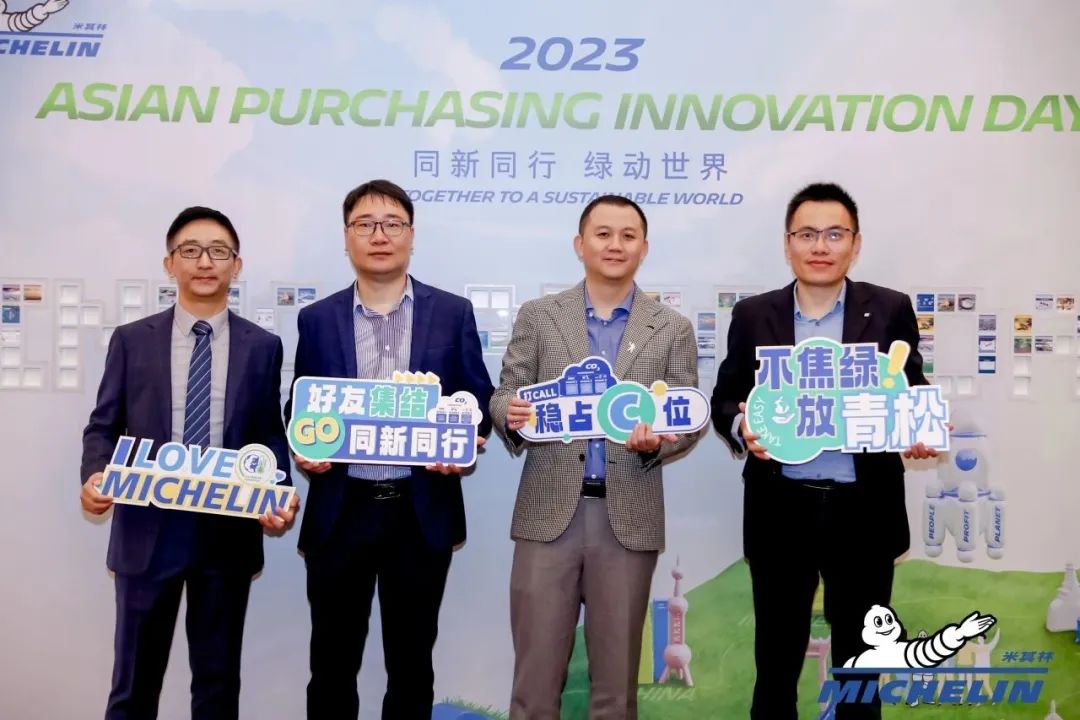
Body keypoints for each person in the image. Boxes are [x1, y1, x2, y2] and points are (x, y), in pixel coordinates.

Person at [711, 182, 936, 720]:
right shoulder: (754, 315)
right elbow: (725, 399)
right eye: (807, 234)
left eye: (835, 234)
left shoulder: (889, 309)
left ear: (855, 244)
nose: (820, 246)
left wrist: (919, 426)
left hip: (864, 509)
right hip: (780, 508)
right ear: (788, 243)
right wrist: (743, 427)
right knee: (776, 661)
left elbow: (911, 388)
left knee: (859, 669)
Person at [80, 206, 297, 719]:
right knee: (133, 686)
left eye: (218, 251)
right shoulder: (132, 340)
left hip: (226, 532)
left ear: (236, 266)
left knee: (217, 687)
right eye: (191, 251)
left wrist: (278, 493)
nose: (204, 261)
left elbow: (269, 436)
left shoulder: (263, 347)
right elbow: (102, 426)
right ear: (169, 263)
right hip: (146, 530)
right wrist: (95, 475)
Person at [288, 179, 494, 720]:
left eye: (392, 224)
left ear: (411, 235)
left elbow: (477, 396)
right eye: (365, 224)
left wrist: (465, 436)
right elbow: (301, 404)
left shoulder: (452, 312)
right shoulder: (317, 318)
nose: (379, 235)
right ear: (347, 237)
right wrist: (304, 444)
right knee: (331, 664)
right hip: (341, 510)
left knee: (411, 665)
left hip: (419, 511)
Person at [491, 195, 701, 719]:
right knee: (534, 682)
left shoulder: (671, 327)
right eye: (603, 234)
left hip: (628, 518)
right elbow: (506, 392)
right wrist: (509, 412)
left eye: (628, 236)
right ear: (579, 244)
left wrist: (661, 441)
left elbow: (686, 415)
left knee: (616, 688)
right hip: (547, 517)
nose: (615, 245)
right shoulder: (540, 316)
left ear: (644, 248)